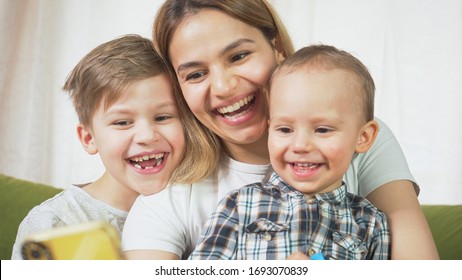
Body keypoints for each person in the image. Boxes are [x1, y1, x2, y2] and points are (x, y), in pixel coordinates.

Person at [122, 0, 438, 260]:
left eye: (239, 56)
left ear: (278, 49)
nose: (223, 87)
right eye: (195, 74)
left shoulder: (360, 148)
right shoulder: (175, 190)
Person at [11, 34, 219, 259]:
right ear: (89, 138)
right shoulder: (54, 223)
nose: (147, 136)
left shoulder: (208, 202)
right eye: (122, 122)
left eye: (163, 117)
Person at [189, 44, 390, 260]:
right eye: (285, 129)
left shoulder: (371, 223)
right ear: (269, 129)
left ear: (363, 137)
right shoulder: (239, 205)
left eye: (322, 130)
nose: (300, 145)